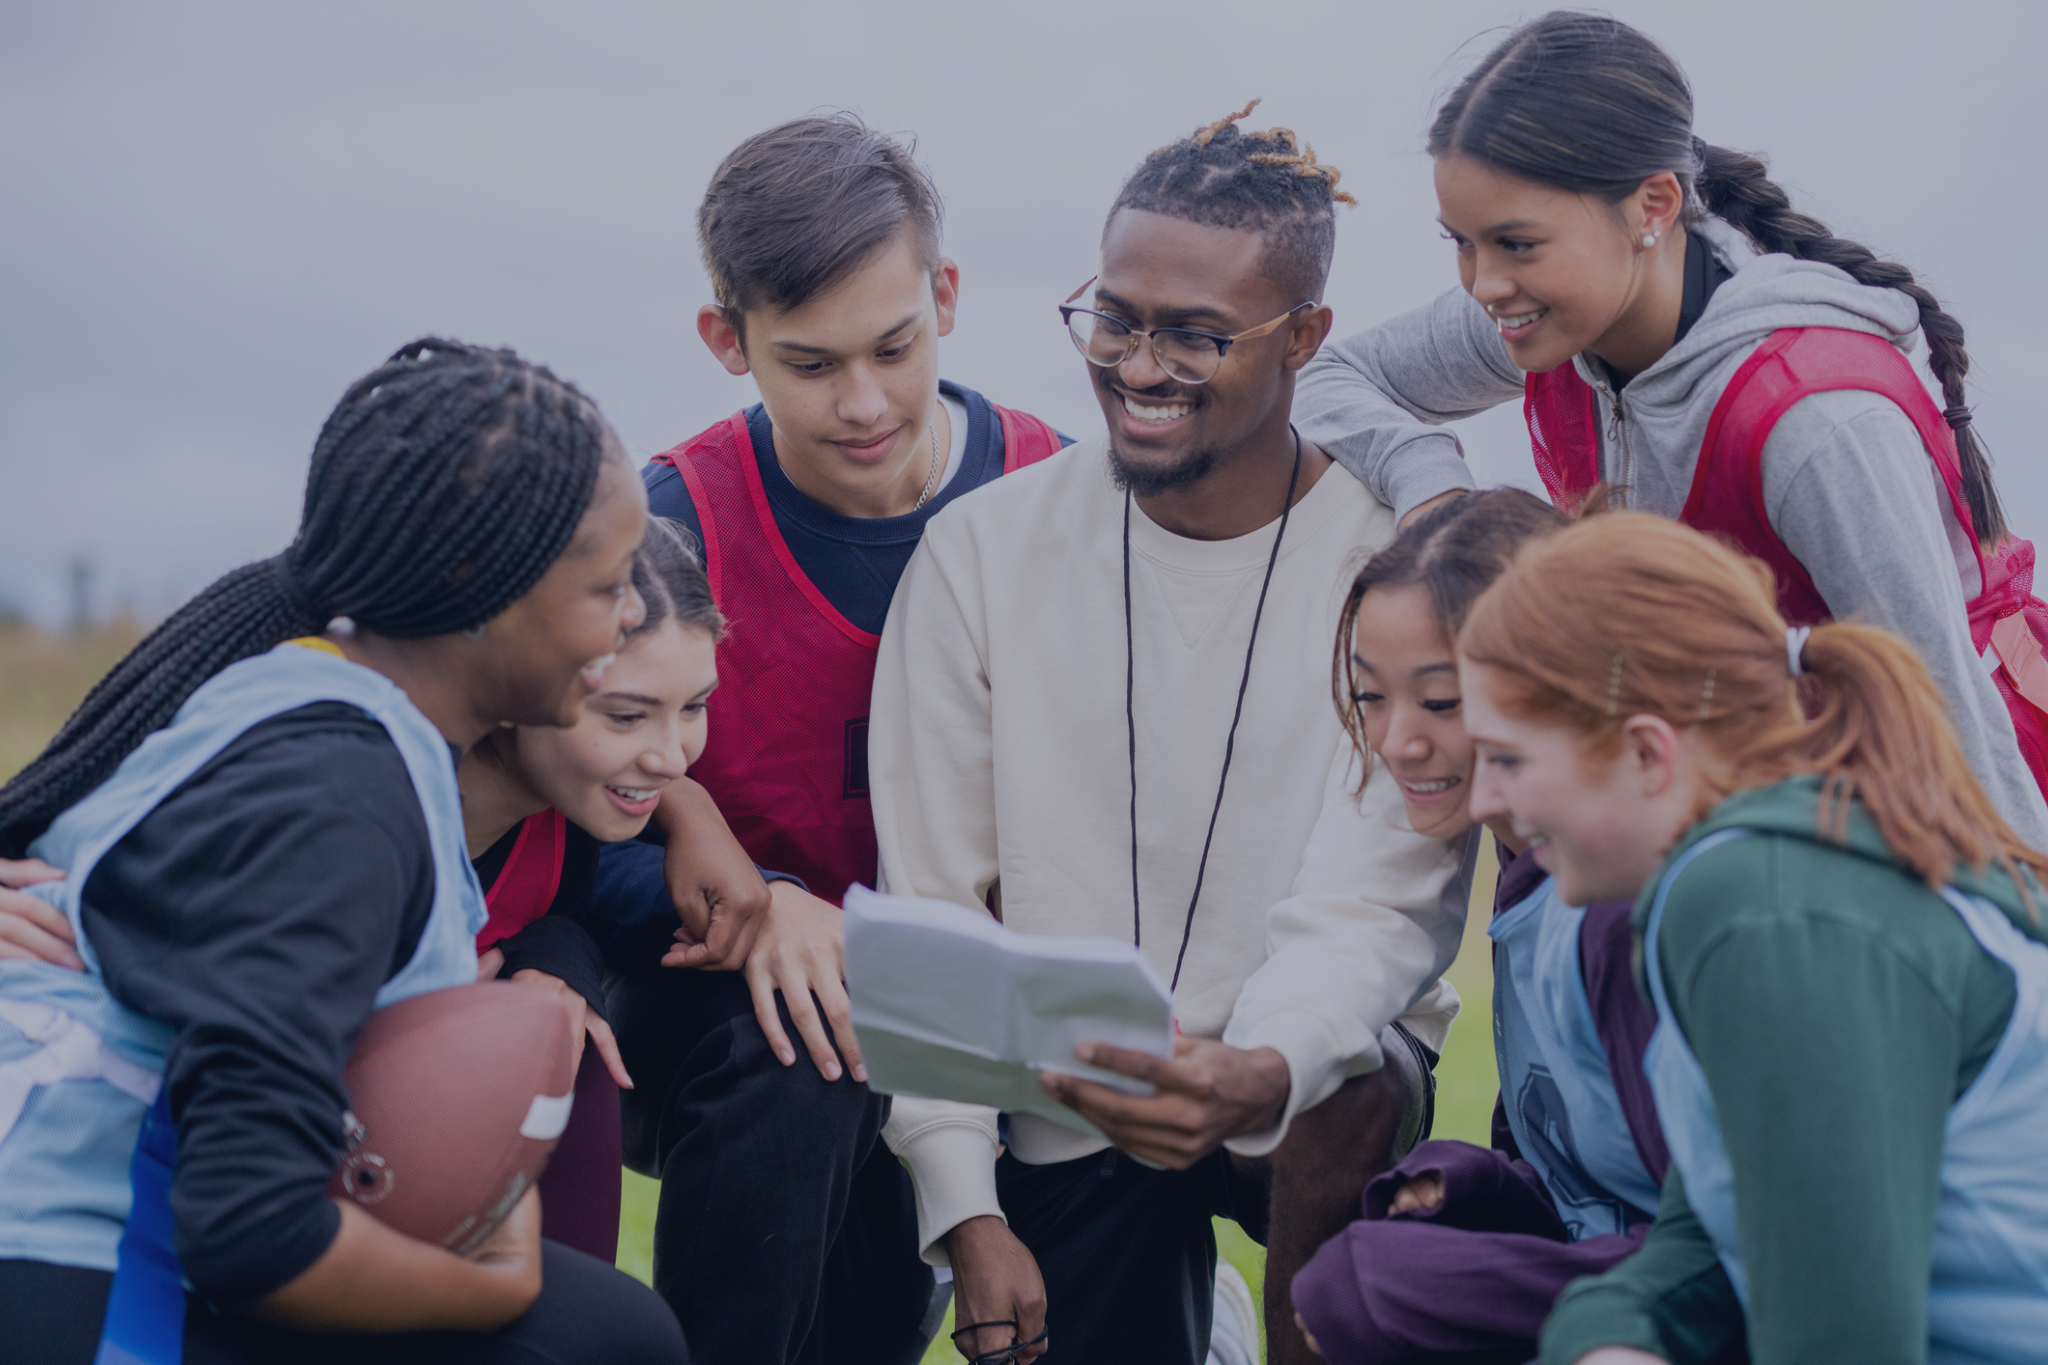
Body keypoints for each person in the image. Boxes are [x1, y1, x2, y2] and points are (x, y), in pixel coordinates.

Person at [869, 105, 1473, 1365]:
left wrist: (1259, 1061)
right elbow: (932, 906)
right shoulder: (980, 553)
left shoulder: (1386, 572)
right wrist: (962, 1206)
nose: (1139, 366)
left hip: (1305, 1079)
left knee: (1344, 1094)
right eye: (1115, 318)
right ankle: (1191, 1316)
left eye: (1197, 334)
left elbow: (1380, 904)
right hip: (1068, 1093)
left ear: (1305, 337)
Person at [0, 339, 686, 1364]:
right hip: (73, 1279)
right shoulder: (343, 807)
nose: (632, 613)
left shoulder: (298, 700)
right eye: (606, 586)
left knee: (607, 1325)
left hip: (111, 1242)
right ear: (483, 590)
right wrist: (483, 1287)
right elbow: (249, 1232)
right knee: (601, 1340)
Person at [1292, 11, 2048, 846]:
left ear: (1654, 205)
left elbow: (1946, 720)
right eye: (1462, 245)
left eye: (1515, 243)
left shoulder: (1814, 421)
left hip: (1936, 809)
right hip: (1735, 799)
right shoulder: (1550, 320)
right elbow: (1325, 376)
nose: (1484, 282)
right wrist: (1431, 485)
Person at [617, 113, 1069, 1365]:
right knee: (811, 1055)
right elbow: (573, 804)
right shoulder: (671, 523)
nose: (863, 402)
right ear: (727, 341)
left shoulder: (1056, 498)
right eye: (809, 365)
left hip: (973, 992)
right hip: (729, 1013)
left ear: (948, 296)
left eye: (894, 346)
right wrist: (762, 903)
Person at [1454, 511, 2048, 1365]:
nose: (1482, 802)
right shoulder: (1773, 870)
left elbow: (1843, 1343)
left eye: (1507, 759)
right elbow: (1708, 1231)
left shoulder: (1762, 907)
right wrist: (1609, 1336)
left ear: (1648, 754)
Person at [1287, 489, 1673, 1364]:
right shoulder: (1525, 867)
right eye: (1370, 697)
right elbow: (1573, 1164)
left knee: (1361, 1284)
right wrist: (1471, 1181)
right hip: (1613, 1281)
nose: (1394, 742)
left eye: (1440, 702)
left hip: (1686, 1304)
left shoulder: (1618, 904)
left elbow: (1714, 1229)